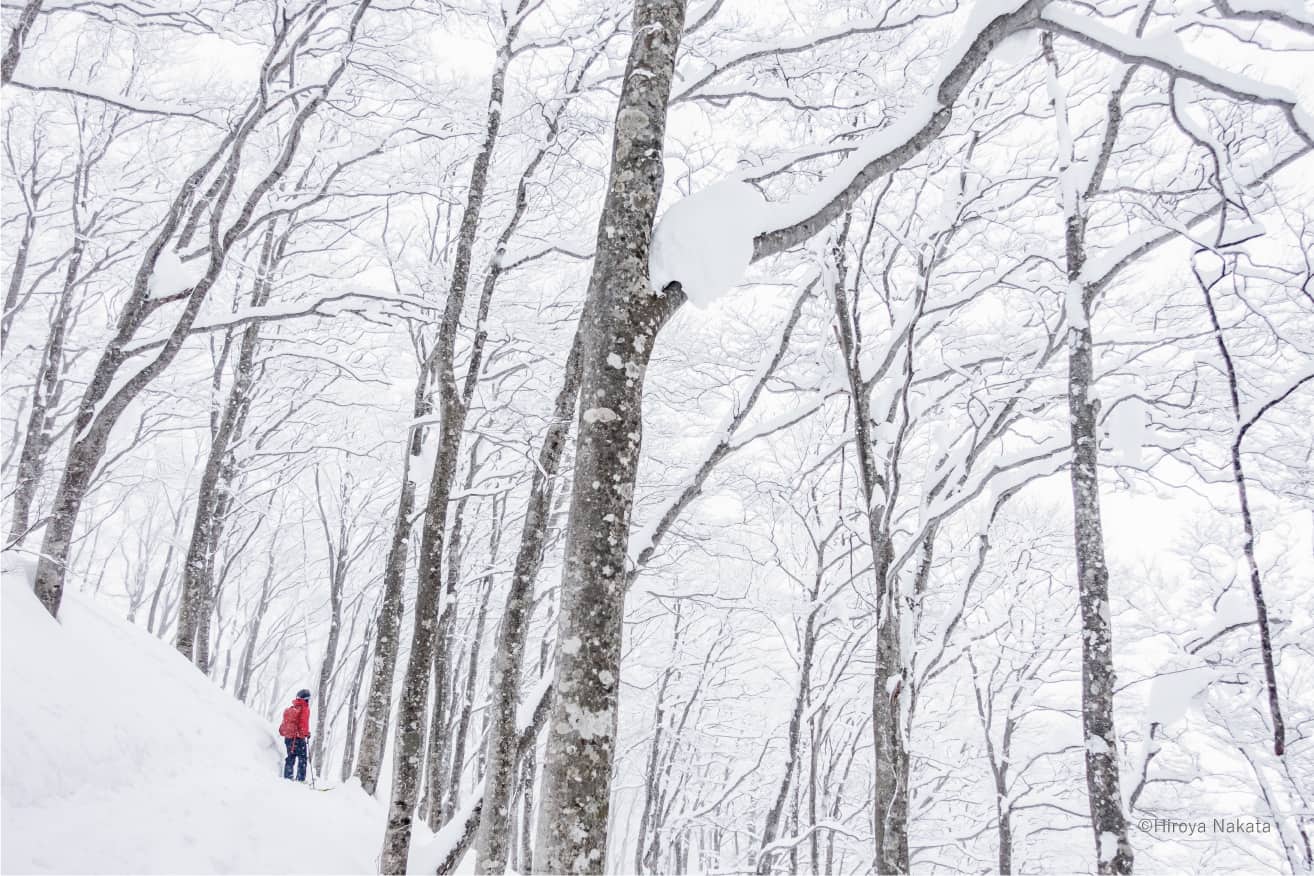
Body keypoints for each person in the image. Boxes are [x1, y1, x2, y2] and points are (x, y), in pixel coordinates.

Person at [279, 689, 312, 781]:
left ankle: (287, 778)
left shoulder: (293, 707)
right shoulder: (304, 708)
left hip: (288, 738)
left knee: (290, 758)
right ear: (306, 699)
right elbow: (303, 724)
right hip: (298, 738)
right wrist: (306, 734)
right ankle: (300, 779)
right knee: (303, 759)